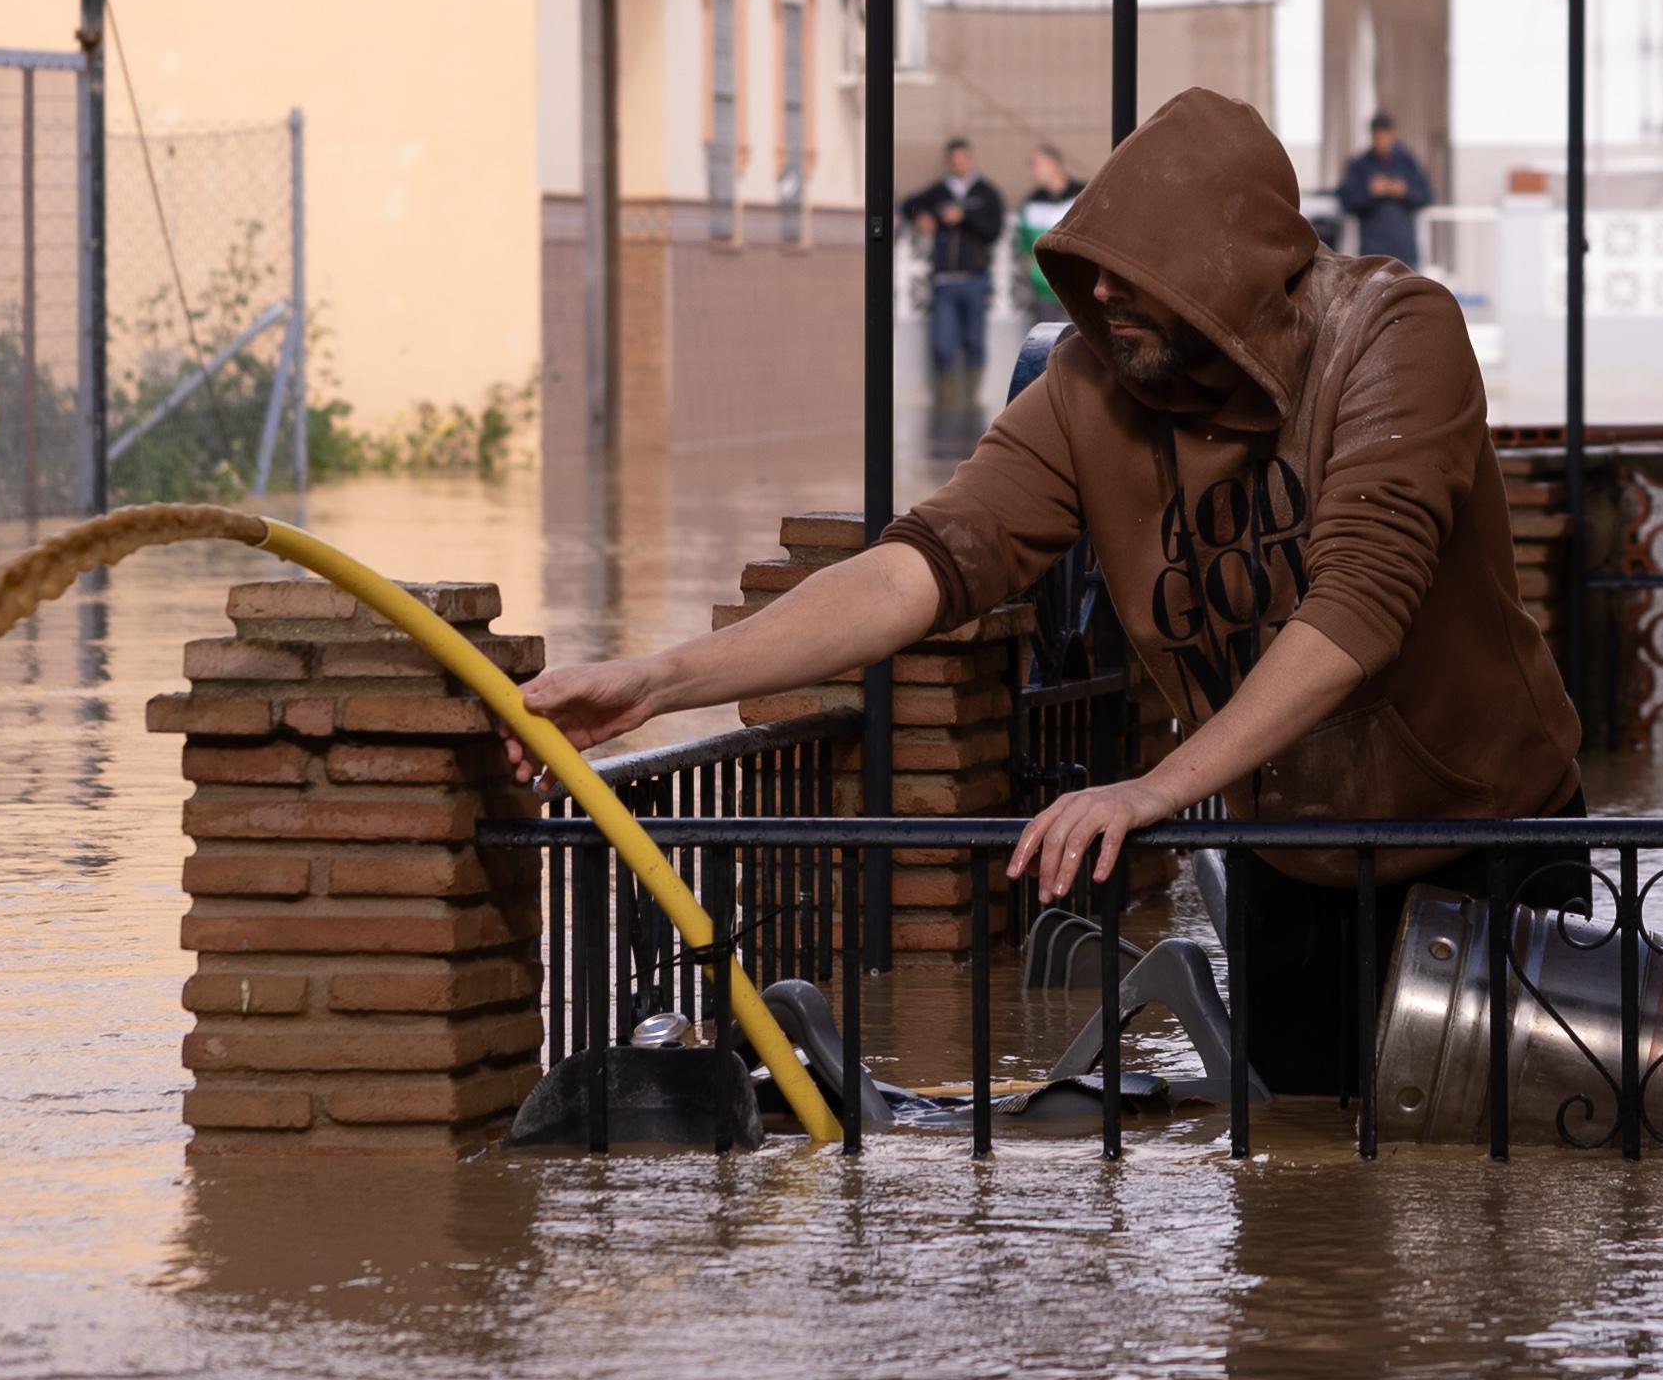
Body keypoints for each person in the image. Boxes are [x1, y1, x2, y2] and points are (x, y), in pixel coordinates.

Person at [522, 89, 1582, 1099]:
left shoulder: (1392, 331)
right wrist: (656, 680)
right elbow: (920, 566)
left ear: (1226, 267)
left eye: (1134, 270)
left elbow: (1360, 604)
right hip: (1291, 866)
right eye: (1089, 272)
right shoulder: (1087, 388)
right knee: (1302, 1230)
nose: (1103, 294)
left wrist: (1150, 788)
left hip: (1480, 846)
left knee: (1493, 1210)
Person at [909, 138, 1006, 424]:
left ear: (971, 159)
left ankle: (970, 403)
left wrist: (964, 217)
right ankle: (947, 406)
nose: (959, 164)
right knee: (942, 344)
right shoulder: (939, 192)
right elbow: (909, 206)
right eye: (954, 159)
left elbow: (993, 230)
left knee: (974, 341)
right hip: (943, 281)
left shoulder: (986, 193)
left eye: (963, 158)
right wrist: (922, 217)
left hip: (975, 278)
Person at [1333, 112, 1435, 269]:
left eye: (1385, 136)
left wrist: (1404, 191)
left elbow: (1426, 195)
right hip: (1372, 252)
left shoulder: (1408, 163)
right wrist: (1370, 192)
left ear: (1392, 135)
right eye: (1377, 136)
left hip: (1404, 252)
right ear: (1372, 136)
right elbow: (1346, 201)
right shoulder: (1360, 165)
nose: (1382, 141)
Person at [1011, 142, 1081, 315]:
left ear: (1053, 164)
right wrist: (1034, 273)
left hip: (1078, 288)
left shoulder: (1082, 195)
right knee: (1047, 340)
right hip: (1043, 290)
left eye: (1035, 164)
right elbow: (1023, 246)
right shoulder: (1031, 202)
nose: (1032, 171)